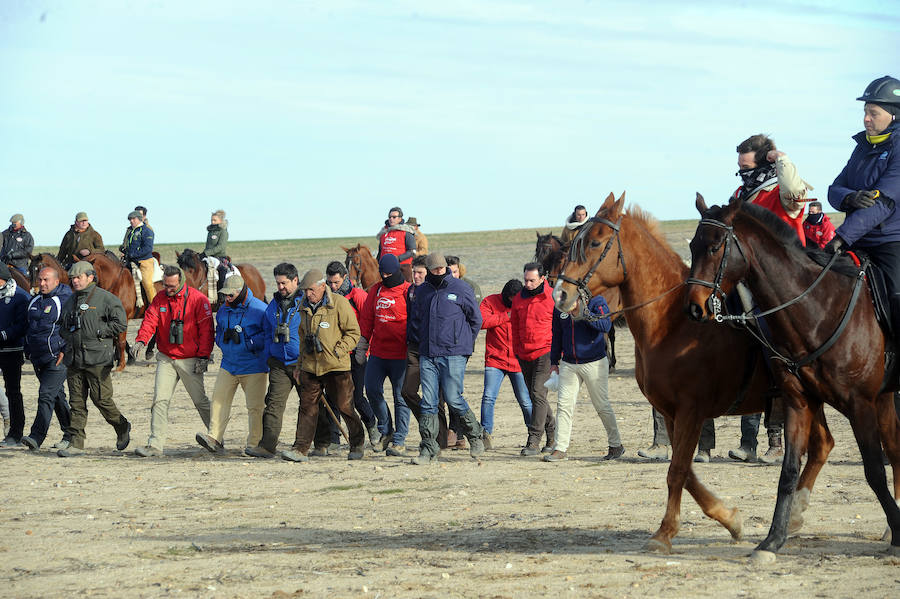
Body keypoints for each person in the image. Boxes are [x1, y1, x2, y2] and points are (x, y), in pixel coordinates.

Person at [827, 75, 900, 429]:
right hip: (857, 241)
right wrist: (849, 197)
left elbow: (883, 205)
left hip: (890, 242)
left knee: (897, 299)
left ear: (893, 114)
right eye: (866, 112)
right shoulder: (862, 147)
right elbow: (834, 188)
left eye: (873, 112)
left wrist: (841, 237)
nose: (866, 119)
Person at [280, 269, 366, 462]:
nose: (308, 293)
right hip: (311, 367)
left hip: (337, 367)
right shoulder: (303, 306)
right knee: (307, 407)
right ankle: (300, 449)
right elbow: (302, 337)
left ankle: (357, 444)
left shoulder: (339, 303)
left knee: (345, 407)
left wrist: (338, 351)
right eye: (305, 290)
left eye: (311, 289)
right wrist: (299, 366)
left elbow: (354, 333)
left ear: (322, 286)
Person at [407, 253, 484, 464]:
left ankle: (475, 435)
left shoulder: (461, 288)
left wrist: (464, 345)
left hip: (454, 353)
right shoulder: (422, 291)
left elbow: (476, 319)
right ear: (429, 269)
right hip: (428, 354)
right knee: (428, 402)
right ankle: (428, 448)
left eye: (441, 268)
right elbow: (416, 320)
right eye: (435, 269)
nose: (439, 271)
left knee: (453, 398)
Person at [131, 265, 213, 457]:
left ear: (181, 282)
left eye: (172, 286)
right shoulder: (160, 298)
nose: (168, 289)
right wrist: (141, 340)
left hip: (190, 359)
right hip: (166, 358)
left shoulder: (198, 299)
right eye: (165, 285)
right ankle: (155, 445)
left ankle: (216, 436)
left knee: (200, 401)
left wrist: (203, 356)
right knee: (160, 400)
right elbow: (150, 320)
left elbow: (207, 331)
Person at [56, 261, 131, 456]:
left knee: (101, 400)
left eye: (78, 277)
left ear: (90, 277)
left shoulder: (106, 298)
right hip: (74, 359)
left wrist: (99, 331)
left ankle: (121, 425)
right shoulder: (70, 301)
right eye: (72, 278)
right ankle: (76, 443)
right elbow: (62, 326)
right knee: (76, 402)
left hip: (97, 359)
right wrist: (68, 335)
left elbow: (120, 323)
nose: (75, 281)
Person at [543, 292, 623, 462]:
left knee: (602, 405)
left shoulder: (597, 302)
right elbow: (557, 334)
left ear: (579, 298)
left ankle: (616, 445)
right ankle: (560, 448)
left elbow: (606, 325)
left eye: (569, 304)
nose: (565, 308)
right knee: (564, 405)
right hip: (569, 363)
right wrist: (554, 361)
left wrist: (585, 313)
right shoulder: (560, 306)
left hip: (594, 362)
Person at [196, 275, 269, 454]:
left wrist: (249, 342)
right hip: (228, 364)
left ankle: (254, 444)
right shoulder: (223, 310)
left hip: (254, 367)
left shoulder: (260, 309)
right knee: (218, 400)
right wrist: (222, 340)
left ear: (240, 292)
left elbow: (268, 335)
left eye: (230, 295)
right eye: (225, 295)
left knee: (255, 407)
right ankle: (214, 438)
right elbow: (219, 330)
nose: (227, 298)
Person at [245, 263, 305, 459]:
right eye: (278, 283)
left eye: (284, 283)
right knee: (273, 405)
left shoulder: (306, 302)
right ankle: (267, 446)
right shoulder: (272, 305)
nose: (280, 287)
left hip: (302, 363)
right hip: (278, 363)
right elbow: (266, 332)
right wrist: (267, 358)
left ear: (295, 280)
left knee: (309, 404)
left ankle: (320, 443)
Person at [359, 254, 412, 456]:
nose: (386, 277)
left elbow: (415, 320)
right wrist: (362, 344)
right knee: (372, 389)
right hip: (378, 353)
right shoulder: (376, 290)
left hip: (401, 355)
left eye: (390, 273)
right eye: (383, 273)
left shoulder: (408, 291)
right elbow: (367, 319)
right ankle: (386, 429)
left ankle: (399, 439)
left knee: (400, 396)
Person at [325, 260, 379, 450]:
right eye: (330, 282)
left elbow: (369, 323)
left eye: (336, 282)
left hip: (356, 353)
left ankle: (372, 426)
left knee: (356, 397)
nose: (333, 286)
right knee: (332, 396)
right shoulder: (327, 299)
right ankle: (334, 439)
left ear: (345, 278)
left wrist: (365, 351)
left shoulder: (358, 296)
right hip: (335, 355)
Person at [20, 267, 73, 452]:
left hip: (57, 358)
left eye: (46, 280)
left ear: (56, 281)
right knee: (57, 396)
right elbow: (28, 327)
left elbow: (73, 327)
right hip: (38, 358)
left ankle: (36, 436)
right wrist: (27, 349)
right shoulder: (34, 300)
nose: (42, 283)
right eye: (40, 280)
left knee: (46, 395)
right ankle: (71, 434)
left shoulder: (64, 300)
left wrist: (65, 349)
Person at [479, 279, 532, 449]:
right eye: (510, 299)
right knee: (488, 397)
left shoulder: (526, 303)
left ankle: (534, 434)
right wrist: (506, 316)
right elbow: (482, 322)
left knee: (525, 400)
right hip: (495, 359)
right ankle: (486, 434)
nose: (513, 303)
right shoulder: (489, 301)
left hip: (518, 361)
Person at [510, 262, 557, 456]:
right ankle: (553, 434)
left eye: (532, 280)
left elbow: (560, 326)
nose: (528, 284)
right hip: (524, 353)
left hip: (545, 352)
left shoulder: (553, 297)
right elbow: (514, 326)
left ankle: (534, 440)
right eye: (526, 280)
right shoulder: (518, 299)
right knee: (535, 396)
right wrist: (516, 350)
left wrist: (559, 355)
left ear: (542, 278)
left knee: (538, 393)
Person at [733, 134, 812, 243]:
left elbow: (793, 191)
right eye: (740, 166)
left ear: (763, 166)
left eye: (746, 167)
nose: (742, 172)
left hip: (786, 253)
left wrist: (781, 158)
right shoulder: (739, 194)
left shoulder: (782, 196)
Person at [0, 263, 30, 447]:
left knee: (12, 391)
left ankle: (15, 433)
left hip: (11, 350)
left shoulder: (20, 296)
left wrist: (4, 335)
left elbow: (23, 324)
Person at [121, 210, 157, 304]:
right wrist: (124, 250)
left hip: (145, 262)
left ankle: (154, 305)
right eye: (130, 219)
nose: (131, 221)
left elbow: (147, 249)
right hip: (130, 261)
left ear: (139, 219)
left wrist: (132, 255)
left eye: (133, 219)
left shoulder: (147, 231)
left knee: (147, 283)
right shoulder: (131, 231)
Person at [376, 206, 416, 282]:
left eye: (394, 217)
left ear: (400, 219)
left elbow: (412, 251)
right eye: (390, 217)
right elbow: (380, 252)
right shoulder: (384, 233)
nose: (391, 219)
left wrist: (397, 259)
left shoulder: (407, 232)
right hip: (385, 268)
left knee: (407, 287)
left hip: (402, 268)